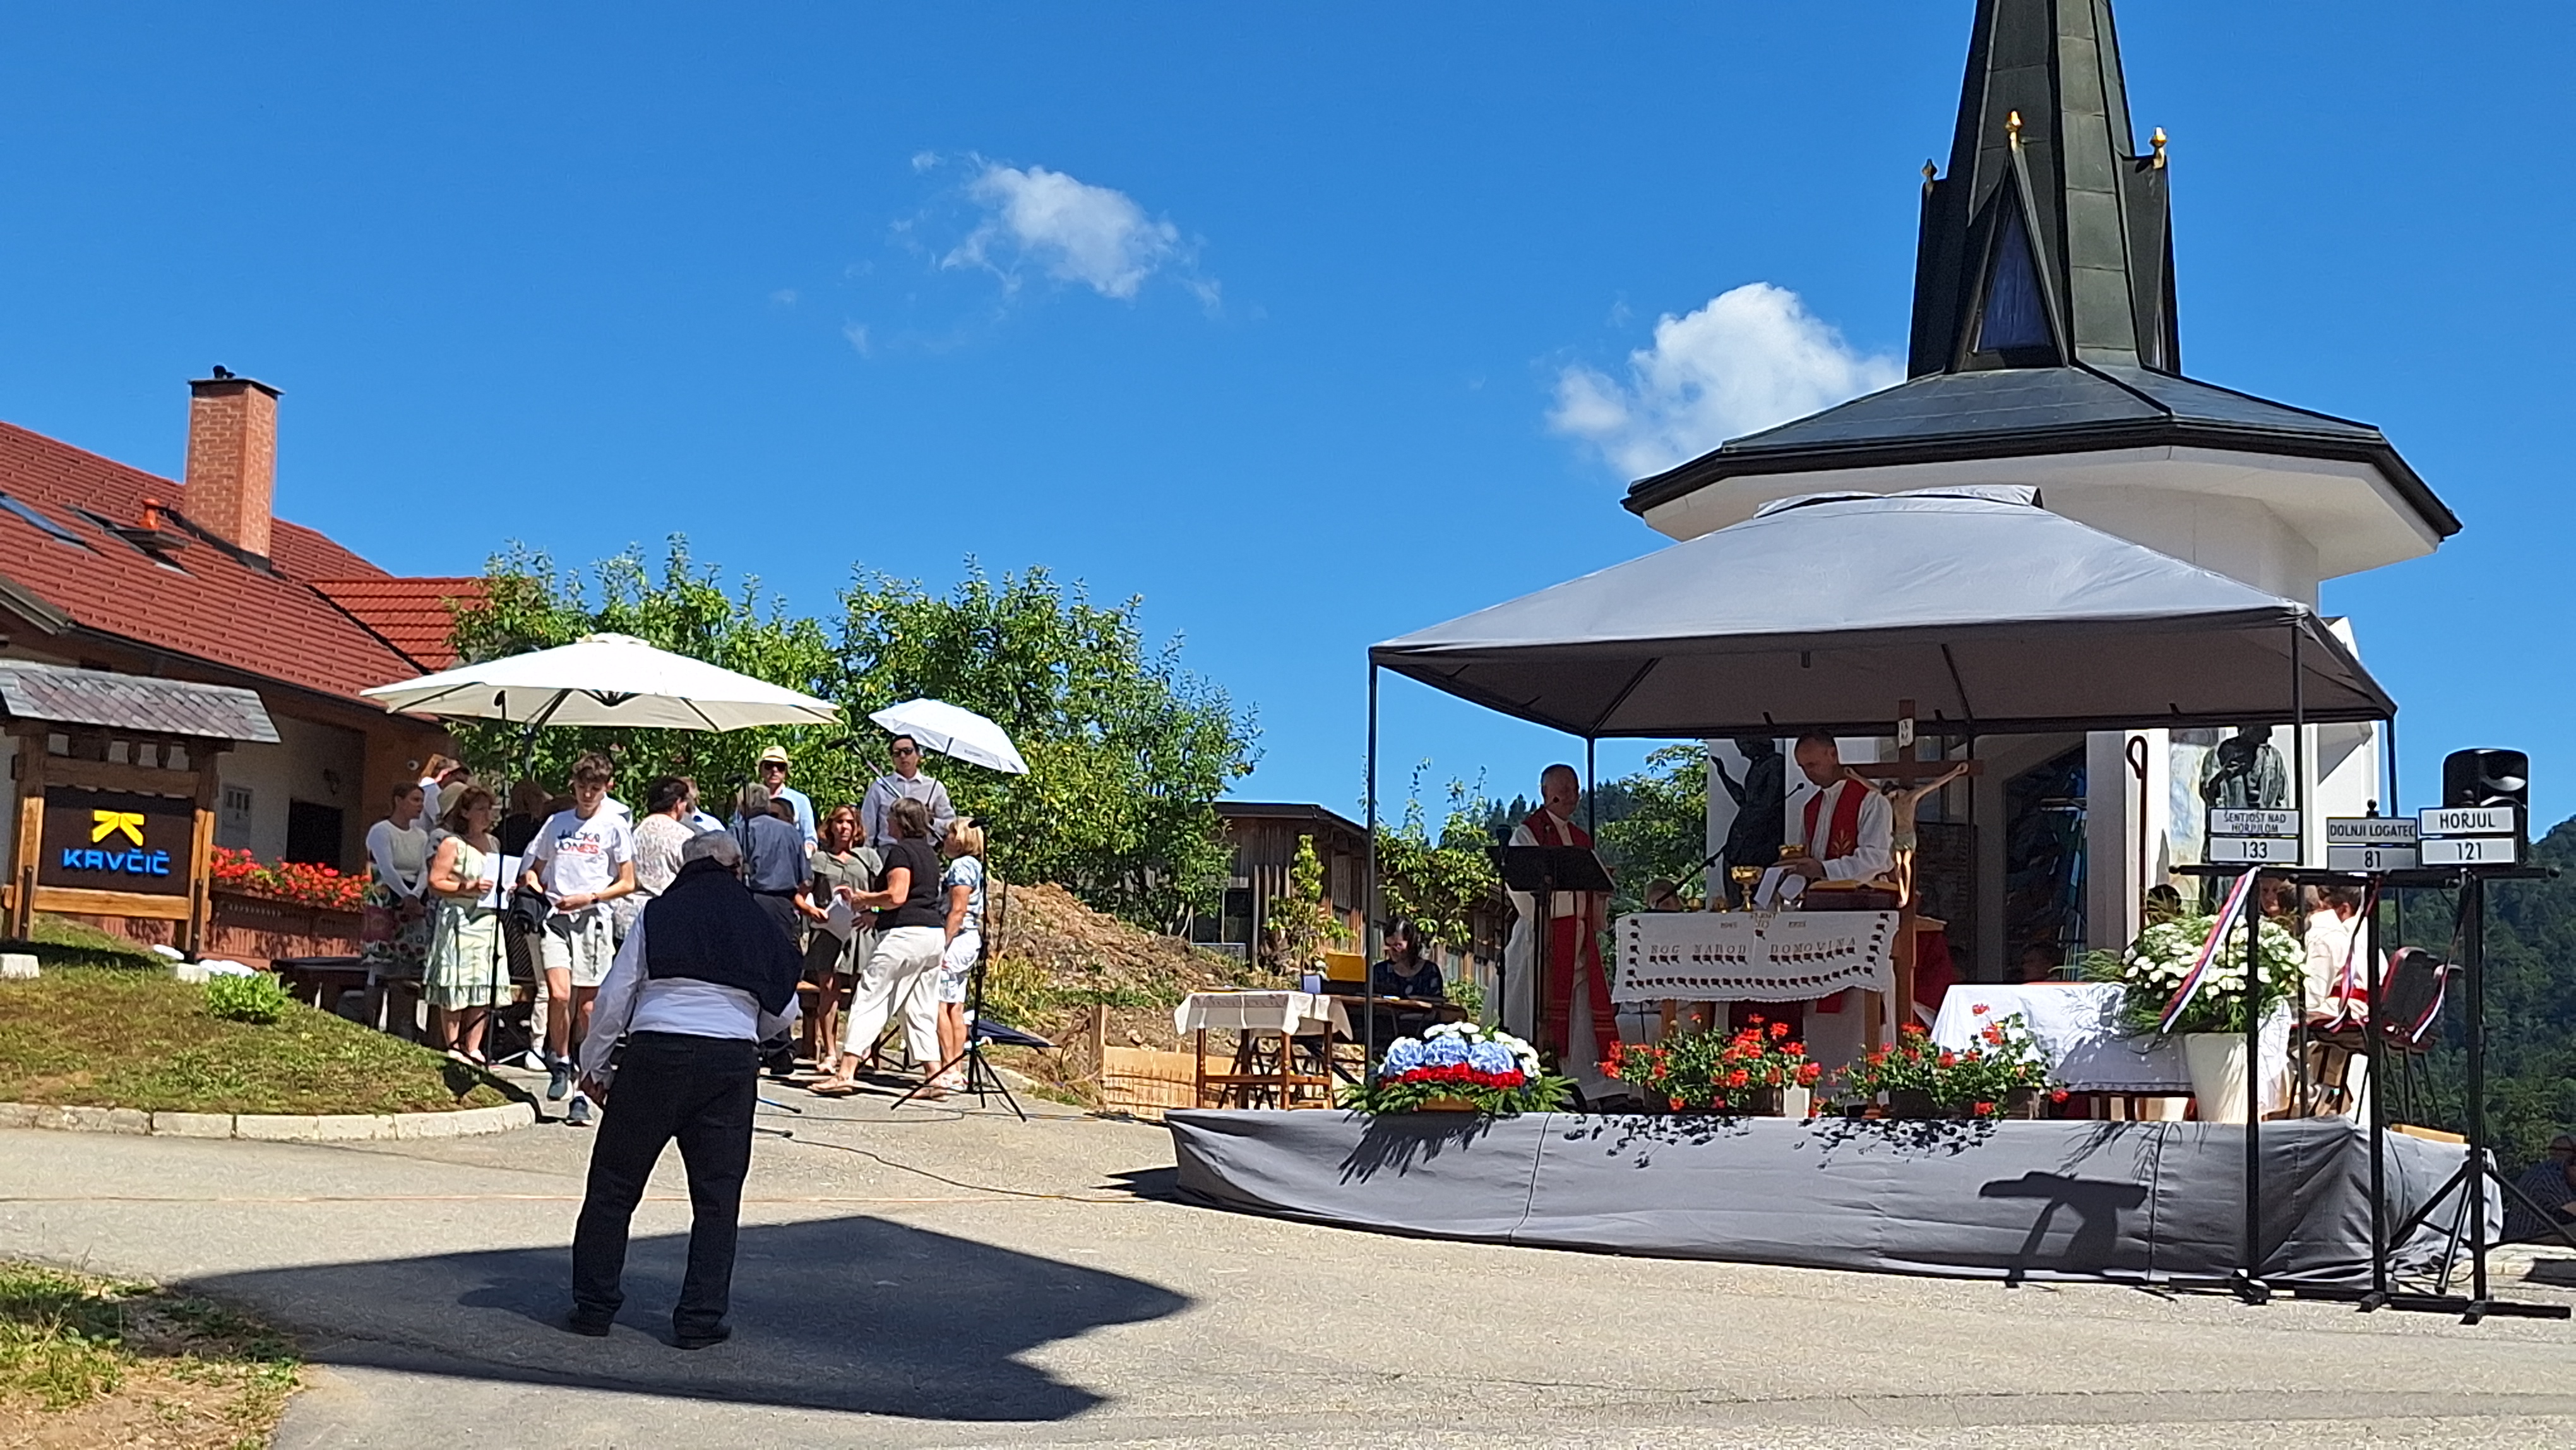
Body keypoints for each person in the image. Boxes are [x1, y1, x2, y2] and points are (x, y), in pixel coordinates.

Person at [569, 829, 802, 1349]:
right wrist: (743, 1030)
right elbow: (785, 1010)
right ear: (736, 867)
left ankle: (594, 1307)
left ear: (684, 866)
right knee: (717, 1198)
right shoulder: (759, 920)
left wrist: (596, 1065)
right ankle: (700, 1318)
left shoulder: (658, 913)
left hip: (656, 1052)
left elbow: (615, 996)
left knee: (614, 1185)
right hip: (729, 1061)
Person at [523, 754, 637, 1127]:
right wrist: (535, 886)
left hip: (594, 919)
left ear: (607, 787)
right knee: (558, 994)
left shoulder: (614, 826)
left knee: (588, 1007)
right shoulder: (557, 823)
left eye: (595, 788)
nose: (588, 794)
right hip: (556, 918)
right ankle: (560, 1060)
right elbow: (535, 869)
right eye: (582, 786)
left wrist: (590, 897)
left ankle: (584, 1086)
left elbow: (628, 882)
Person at [808, 797, 946, 1097]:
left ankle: (845, 1073)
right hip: (933, 935)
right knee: (919, 1006)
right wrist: (875, 914)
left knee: (870, 998)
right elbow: (916, 896)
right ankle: (934, 1077)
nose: (887, 822)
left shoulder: (900, 852)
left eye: (891, 818)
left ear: (901, 822)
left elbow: (897, 895)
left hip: (904, 937)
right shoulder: (929, 853)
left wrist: (863, 899)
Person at [1501, 764, 1616, 1098]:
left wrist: (1601, 890)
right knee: (1535, 1008)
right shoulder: (1528, 833)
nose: (1570, 796)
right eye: (1563, 788)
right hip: (1542, 940)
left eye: (1575, 789)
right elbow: (1523, 893)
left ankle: (1583, 1084)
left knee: (1580, 1012)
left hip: (1579, 939)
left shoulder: (1581, 839)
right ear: (1545, 792)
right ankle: (1532, 1081)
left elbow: (1590, 891)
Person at [422, 786, 510, 1064]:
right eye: (480, 809)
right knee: (456, 981)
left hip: (486, 920)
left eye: (489, 810)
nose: (487, 815)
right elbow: (435, 882)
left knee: (482, 982)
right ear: (465, 812)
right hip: (459, 919)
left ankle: (474, 1046)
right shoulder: (452, 843)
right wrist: (466, 887)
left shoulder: (494, 844)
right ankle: (453, 1045)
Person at [796, 805, 880, 1067]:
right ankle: (831, 1052)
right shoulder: (819, 860)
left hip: (861, 931)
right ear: (830, 826)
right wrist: (811, 910)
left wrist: (874, 914)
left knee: (864, 991)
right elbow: (799, 894)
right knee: (828, 990)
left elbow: (885, 894)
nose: (844, 827)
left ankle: (860, 1051)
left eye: (850, 823)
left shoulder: (868, 858)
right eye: (840, 822)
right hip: (828, 931)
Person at [1782, 733, 1894, 884]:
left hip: (1863, 893)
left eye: (1812, 764)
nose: (1808, 773)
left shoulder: (1870, 800)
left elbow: (1875, 859)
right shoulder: (1811, 807)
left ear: (1833, 755)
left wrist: (1824, 869)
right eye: (1802, 767)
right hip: (1819, 894)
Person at [929, 816, 987, 1091]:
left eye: (951, 834)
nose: (946, 839)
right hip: (969, 940)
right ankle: (956, 1068)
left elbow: (958, 909)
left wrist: (942, 943)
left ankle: (947, 1067)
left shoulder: (961, 866)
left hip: (957, 939)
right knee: (956, 1006)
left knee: (939, 1003)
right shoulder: (975, 866)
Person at [362, 781, 432, 976]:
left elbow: (423, 869)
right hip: (385, 899)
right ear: (399, 801)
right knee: (381, 963)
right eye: (415, 800)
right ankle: (373, 996)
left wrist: (415, 896)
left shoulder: (421, 836)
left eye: (422, 801)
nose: (420, 805)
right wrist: (405, 896)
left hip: (413, 901)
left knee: (410, 962)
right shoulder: (381, 831)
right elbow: (386, 868)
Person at [732, 783, 808, 947]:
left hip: (748, 904)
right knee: (782, 955)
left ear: (743, 806)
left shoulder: (737, 832)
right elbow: (805, 877)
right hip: (783, 906)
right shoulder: (790, 832)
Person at [1712, 736, 1784, 906]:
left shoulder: (1775, 763)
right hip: (1746, 826)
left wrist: (1750, 817)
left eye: (1744, 747)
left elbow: (1767, 802)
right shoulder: (1756, 765)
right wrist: (1723, 774)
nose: (1743, 754)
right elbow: (1744, 800)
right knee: (1731, 863)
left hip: (1763, 830)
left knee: (1752, 872)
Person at [860, 734, 955, 849]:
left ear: (918, 755)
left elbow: (950, 823)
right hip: (889, 849)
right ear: (892, 759)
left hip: (923, 849)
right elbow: (867, 823)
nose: (903, 756)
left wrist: (931, 821)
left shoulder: (935, 787)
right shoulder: (880, 786)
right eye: (897, 753)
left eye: (908, 751)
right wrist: (866, 852)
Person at [2506, 1135, 2576, 1244]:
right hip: (2526, 1242)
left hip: (2547, 1237)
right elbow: (2572, 1209)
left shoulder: (2562, 1173)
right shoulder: (2548, 1177)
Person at [748, 745, 817, 850]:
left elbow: (810, 839)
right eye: (769, 766)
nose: (774, 770)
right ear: (761, 770)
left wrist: (802, 854)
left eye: (780, 767)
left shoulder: (800, 800)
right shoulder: (749, 798)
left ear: (786, 772)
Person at [417, 753, 465, 825]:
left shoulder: (423, 786)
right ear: (445, 773)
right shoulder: (433, 789)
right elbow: (436, 818)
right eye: (454, 775)